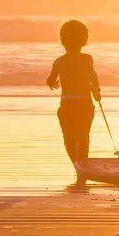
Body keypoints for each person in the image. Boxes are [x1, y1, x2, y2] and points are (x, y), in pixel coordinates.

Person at [46, 19, 102, 187]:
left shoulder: (59, 61)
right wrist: (96, 92)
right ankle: (82, 169)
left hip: (67, 105)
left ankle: (78, 168)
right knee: (83, 137)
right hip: (85, 104)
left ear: (62, 40)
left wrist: (51, 82)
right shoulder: (87, 59)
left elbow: (50, 80)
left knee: (69, 139)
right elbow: (94, 77)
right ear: (85, 40)